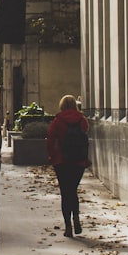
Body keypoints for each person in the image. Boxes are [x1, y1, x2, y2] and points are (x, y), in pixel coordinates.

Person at [46, 94, 91, 237]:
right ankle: (76, 218)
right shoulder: (82, 120)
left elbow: (50, 139)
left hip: (62, 161)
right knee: (73, 191)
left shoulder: (58, 121)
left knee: (66, 193)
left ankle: (68, 227)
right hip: (78, 161)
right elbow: (85, 138)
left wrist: (52, 156)